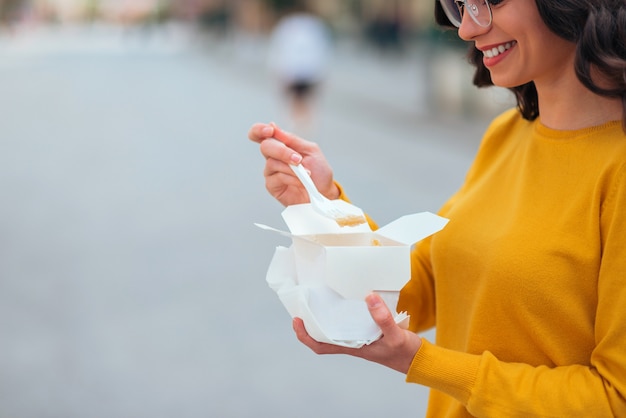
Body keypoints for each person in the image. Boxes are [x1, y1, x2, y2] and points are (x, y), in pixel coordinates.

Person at [248, 0, 626, 416]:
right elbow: (422, 286)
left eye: (490, 1)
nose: (466, 28)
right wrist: (325, 204)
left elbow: (614, 399)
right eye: (459, 5)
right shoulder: (506, 134)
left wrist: (421, 362)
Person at [266, 0, 332, 136]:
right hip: (308, 69)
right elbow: (323, 50)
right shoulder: (315, 26)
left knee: (297, 98)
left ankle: (297, 126)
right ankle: (304, 126)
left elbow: (279, 48)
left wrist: (278, 70)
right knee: (305, 98)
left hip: (294, 69)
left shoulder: (287, 25)